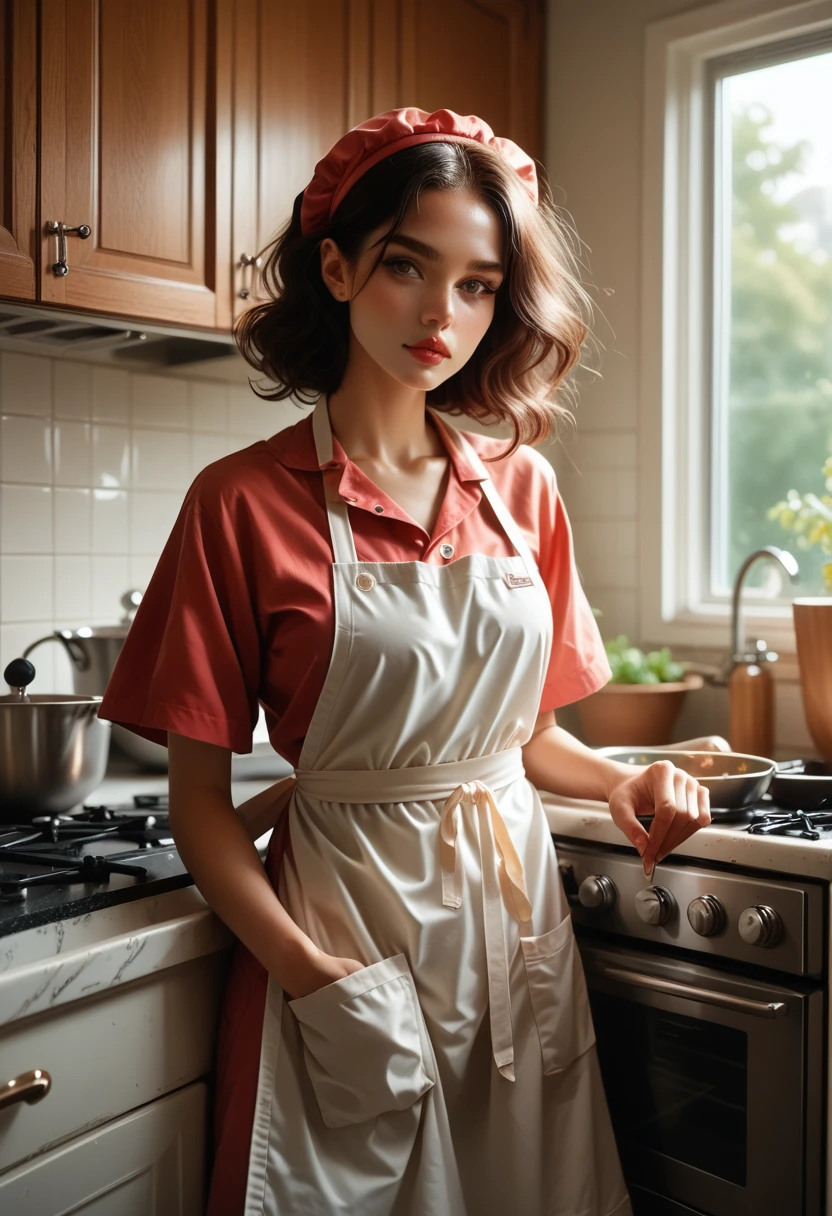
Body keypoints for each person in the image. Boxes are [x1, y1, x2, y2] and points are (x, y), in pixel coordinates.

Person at [98, 108, 711, 1216]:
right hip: (342, 931)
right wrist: (311, 977)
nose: (442, 313)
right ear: (335, 268)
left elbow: (531, 742)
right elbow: (198, 810)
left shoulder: (523, 488)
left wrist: (624, 780)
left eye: (478, 283)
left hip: (512, 931)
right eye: (406, 267)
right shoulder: (237, 503)